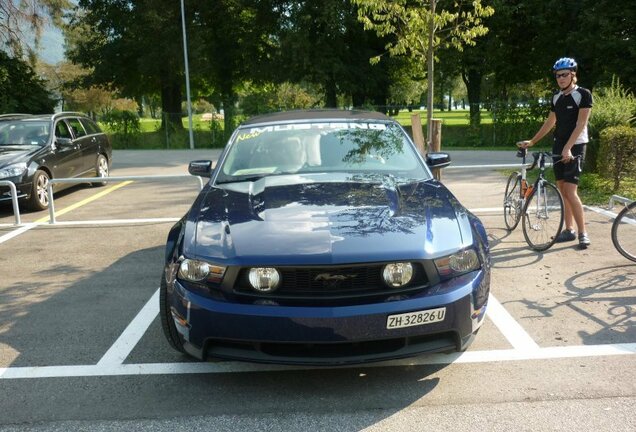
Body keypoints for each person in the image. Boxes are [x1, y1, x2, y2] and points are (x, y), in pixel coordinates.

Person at [518, 57, 593, 249]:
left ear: (573, 75)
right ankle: (569, 230)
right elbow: (550, 122)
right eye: (558, 75)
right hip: (559, 145)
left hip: (575, 146)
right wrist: (533, 141)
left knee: (570, 190)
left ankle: (583, 232)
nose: (561, 78)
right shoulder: (556, 97)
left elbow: (581, 123)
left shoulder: (583, 94)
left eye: (565, 74)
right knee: (562, 190)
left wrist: (568, 147)